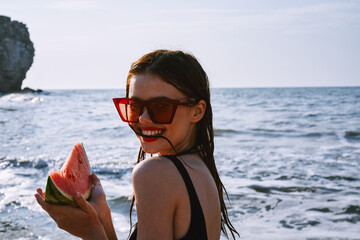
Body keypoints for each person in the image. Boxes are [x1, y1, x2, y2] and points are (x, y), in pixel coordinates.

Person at [35, 49, 239, 240]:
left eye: (160, 107)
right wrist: (102, 218)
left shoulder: (155, 172)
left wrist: (89, 232)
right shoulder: (200, 168)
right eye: (134, 107)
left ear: (197, 111)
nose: (143, 119)